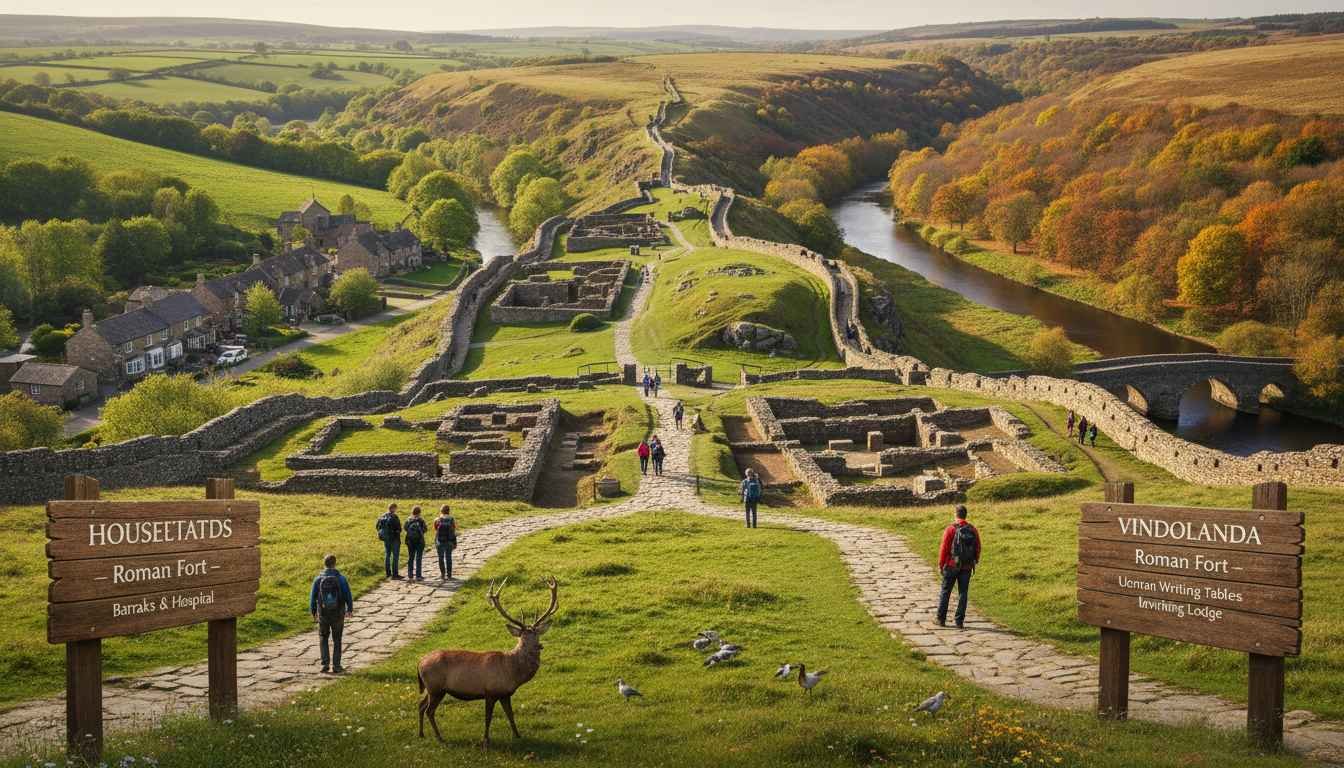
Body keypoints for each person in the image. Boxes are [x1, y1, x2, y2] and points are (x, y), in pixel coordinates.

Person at [935, 505, 980, 629]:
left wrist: (941, 564)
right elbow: (978, 546)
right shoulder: (973, 529)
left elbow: (944, 548)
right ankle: (959, 621)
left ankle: (941, 619)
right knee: (963, 593)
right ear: (966, 515)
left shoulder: (950, 529)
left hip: (951, 565)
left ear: (955, 514)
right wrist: (975, 560)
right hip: (967, 566)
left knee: (946, 591)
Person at [310, 553, 353, 674]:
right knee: (337, 639)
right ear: (335, 564)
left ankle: (325, 664)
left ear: (324, 564)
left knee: (323, 637)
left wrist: (313, 611)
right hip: (338, 612)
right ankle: (336, 666)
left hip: (323, 612)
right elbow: (347, 594)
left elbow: (313, 597)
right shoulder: (341, 578)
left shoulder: (318, 579)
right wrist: (349, 609)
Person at [376, 503, 402, 579]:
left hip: (386, 539)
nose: (396, 510)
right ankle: (395, 574)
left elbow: (377, 527)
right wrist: (398, 532)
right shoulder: (394, 517)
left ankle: (388, 573)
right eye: (395, 508)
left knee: (387, 555)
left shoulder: (382, 516)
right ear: (393, 508)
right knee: (395, 556)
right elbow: (399, 528)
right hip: (394, 539)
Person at [434, 505, 457, 581]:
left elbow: (436, 529)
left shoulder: (437, 519)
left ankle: (442, 574)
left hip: (439, 541)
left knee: (440, 558)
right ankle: (449, 575)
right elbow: (453, 530)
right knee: (448, 557)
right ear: (448, 511)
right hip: (449, 541)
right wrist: (454, 542)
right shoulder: (451, 519)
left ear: (441, 511)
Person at [404, 506, 428, 581]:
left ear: (412, 512)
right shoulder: (421, 520)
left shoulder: (408, 520)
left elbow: (405, 528)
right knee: (418, 558)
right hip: (419, 541)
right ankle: (418, 576)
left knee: (411, 557)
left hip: (410, 541)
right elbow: (425, 529)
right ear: (419, 512)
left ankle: (410, 575)